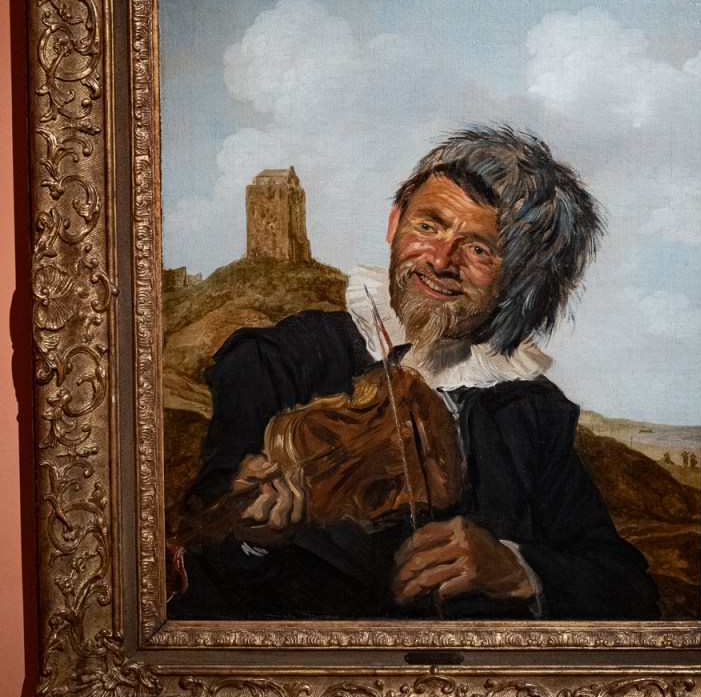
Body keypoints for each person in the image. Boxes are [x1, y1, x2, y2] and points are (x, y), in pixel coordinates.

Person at [169, 125, 660, 621]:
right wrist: (252, 539)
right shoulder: (278, 360)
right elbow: (200, 549)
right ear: (394, 223)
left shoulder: (529, 411)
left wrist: (516, 569)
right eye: (428, 226)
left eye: (480, 249)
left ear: (522, 277)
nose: (441, 260)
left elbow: (625, 588)